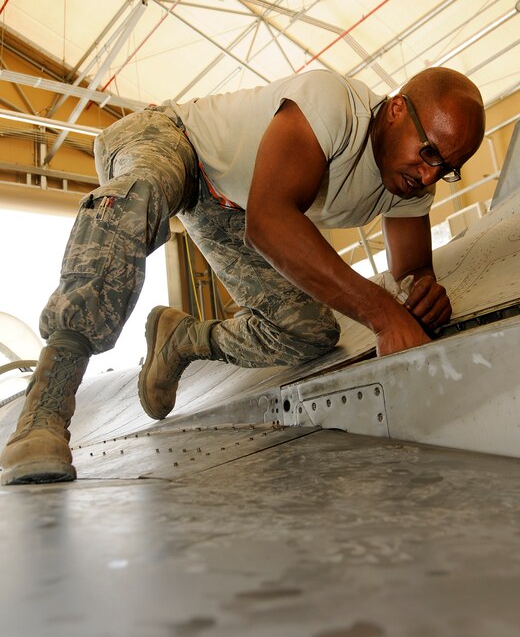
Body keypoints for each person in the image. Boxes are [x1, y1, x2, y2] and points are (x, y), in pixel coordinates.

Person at [0, 66, 485, 485]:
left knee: (310, 332)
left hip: (229, 206)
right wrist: (383, 314)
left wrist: (423, 293)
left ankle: (182, 339)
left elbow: (414, 271)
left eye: (448, 171)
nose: (429, 177)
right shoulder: (334, 103)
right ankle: (45, 411)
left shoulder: (409, 190)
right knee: (137, 199)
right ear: (397, 110)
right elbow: (271, 221)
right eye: (428, 153)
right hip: (174, 139)